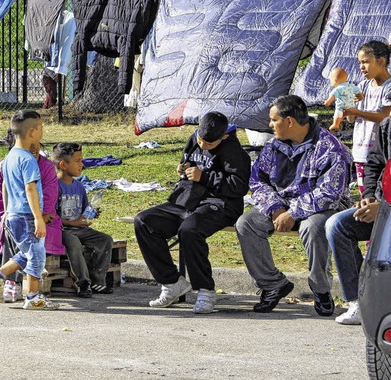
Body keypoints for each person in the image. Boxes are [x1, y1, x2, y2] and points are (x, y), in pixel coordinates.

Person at [235, 95, 352, 315]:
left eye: (273, 120)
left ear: (289, 121)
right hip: (281, 206)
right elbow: (258, 180)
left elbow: (330, 193)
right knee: (246, 224)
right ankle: (272, 285)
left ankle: (321, 289)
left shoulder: (329, 147)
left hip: (322, 208)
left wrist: (292, 212)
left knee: (314, 227)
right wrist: (275, 207)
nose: (270, 125)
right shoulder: (273, 146)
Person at [134, 112, 250, 313]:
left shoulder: (235, 152)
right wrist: (183, 169)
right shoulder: (194, 138)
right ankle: (171, 282)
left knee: (190, 230)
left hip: (220, 204)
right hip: (187, 199)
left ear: (223, 137)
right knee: (144, 221)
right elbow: (189, 162)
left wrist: (204, 177)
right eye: (200, 140)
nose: (203, 146)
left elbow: (238, 188)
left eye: (210, 144)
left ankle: (205, 289)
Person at [0, 110, 60, 310]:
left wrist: (8, 214)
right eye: (41, 128)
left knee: (27, 252)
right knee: (36, 256)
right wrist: (38, 218)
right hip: (27, 215)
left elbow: (7, 188)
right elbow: (30, 188)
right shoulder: (27, 159)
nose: (42, 132)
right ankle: (33, 297)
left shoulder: (10, 157)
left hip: (14, 215)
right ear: (33, 132)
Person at [326, 115, 391, 325]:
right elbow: (374, 164)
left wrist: (383, 208)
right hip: (382, 206)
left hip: (385, 209)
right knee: (338, 225)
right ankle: (359, 302)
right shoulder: (387, 126)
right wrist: (369, 197)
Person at [52, 142, 115, 298]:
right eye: (77, 161)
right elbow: (51, 215)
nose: (82, 164)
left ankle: (98, 281)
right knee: (73, 242)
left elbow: (84, 210)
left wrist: (92, 213)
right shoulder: (54, 186)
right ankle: (83, 282)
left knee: (105, 240)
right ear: (63, 164)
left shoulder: (79, 187)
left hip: (79, 228)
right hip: (62, 230)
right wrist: (71, 223)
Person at [343, 41, 391, 195]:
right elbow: (351, 119)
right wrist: (347, 107)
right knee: (366, 193)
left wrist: (356, 111)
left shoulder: (389, 87)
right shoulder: (362, 86)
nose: (361, 67)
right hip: (360, 152)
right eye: (359, 63)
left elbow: (384, 117)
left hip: (381, 154)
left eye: (365, 62)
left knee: (382, 195)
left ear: (381, 61)